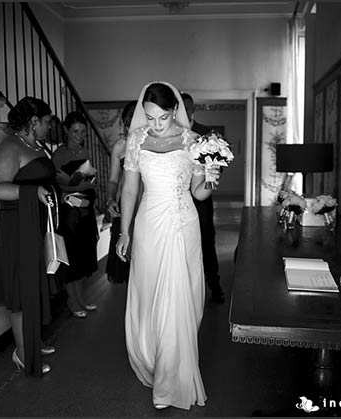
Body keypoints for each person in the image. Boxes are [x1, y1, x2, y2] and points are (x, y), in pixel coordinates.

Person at [116, 81, 220, 410]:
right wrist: (125, 231)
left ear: (175, 110)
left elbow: (199, 193)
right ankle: (154, 358)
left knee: (181, 298)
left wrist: (210, 176)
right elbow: (130, 190)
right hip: (148, 226)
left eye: (162, 117)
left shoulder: (192, 142)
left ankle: (168, 379)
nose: (155, 124)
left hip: (182, 224)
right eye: (149, 117)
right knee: (149, 297)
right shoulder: (137, 140)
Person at [0, 96, 56, 377]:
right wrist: (32, 193)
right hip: (17, 226)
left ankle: (33, 340)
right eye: (47, 121)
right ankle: (23, 354)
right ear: (34, 122)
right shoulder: (10, 147)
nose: (50, 126)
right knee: (20, 288)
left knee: (34, 283)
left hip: (36, 223)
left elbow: (43, 177)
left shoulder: (35, 146)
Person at [51, 112, 100, 318]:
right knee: (73, 256)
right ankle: (72, 301)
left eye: (82, 131)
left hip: (86, 207)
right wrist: (81, 185)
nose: (79, 135)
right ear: (66, 130)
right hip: (70, 210)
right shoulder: (58, 155)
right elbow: (58, 189)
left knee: (85, 254)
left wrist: (86, 185)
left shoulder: (85, 151)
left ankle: (80, 298)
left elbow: (90, 180)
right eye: (75, 131)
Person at [181, 92, 225, 304]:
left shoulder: (205, 134)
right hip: (178, 199)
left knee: (206, 240)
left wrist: (211, 175)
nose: (184, 110)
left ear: (192, 109)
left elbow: (217, 165)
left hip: (200, 200)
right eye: (181, 106)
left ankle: (214, 285)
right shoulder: (171, 134)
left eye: (188, 107)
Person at [105, 100, 137, 284]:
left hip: (146, 206)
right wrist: (110, 198)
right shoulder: (119, 146)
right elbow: (113, 179)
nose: (129, 127)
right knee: (126, 262)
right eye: (127, 123)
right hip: (126, 207)